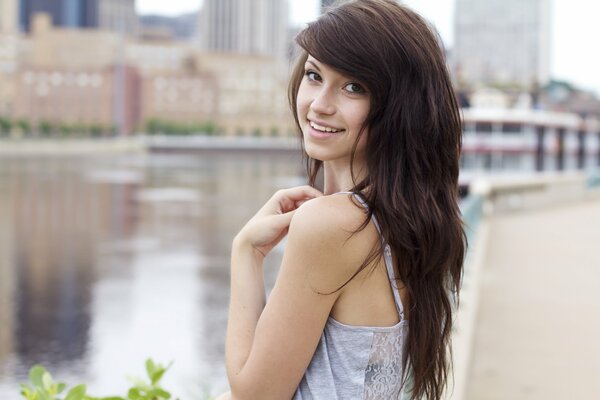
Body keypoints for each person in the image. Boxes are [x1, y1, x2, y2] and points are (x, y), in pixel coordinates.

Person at [217, 0, 466, 399]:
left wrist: (245, 252)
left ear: (398, 107)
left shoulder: (334, 224)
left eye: (354, 87)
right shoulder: (402, 219)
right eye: (314, 75)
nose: (319, 104)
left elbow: (254, 395)